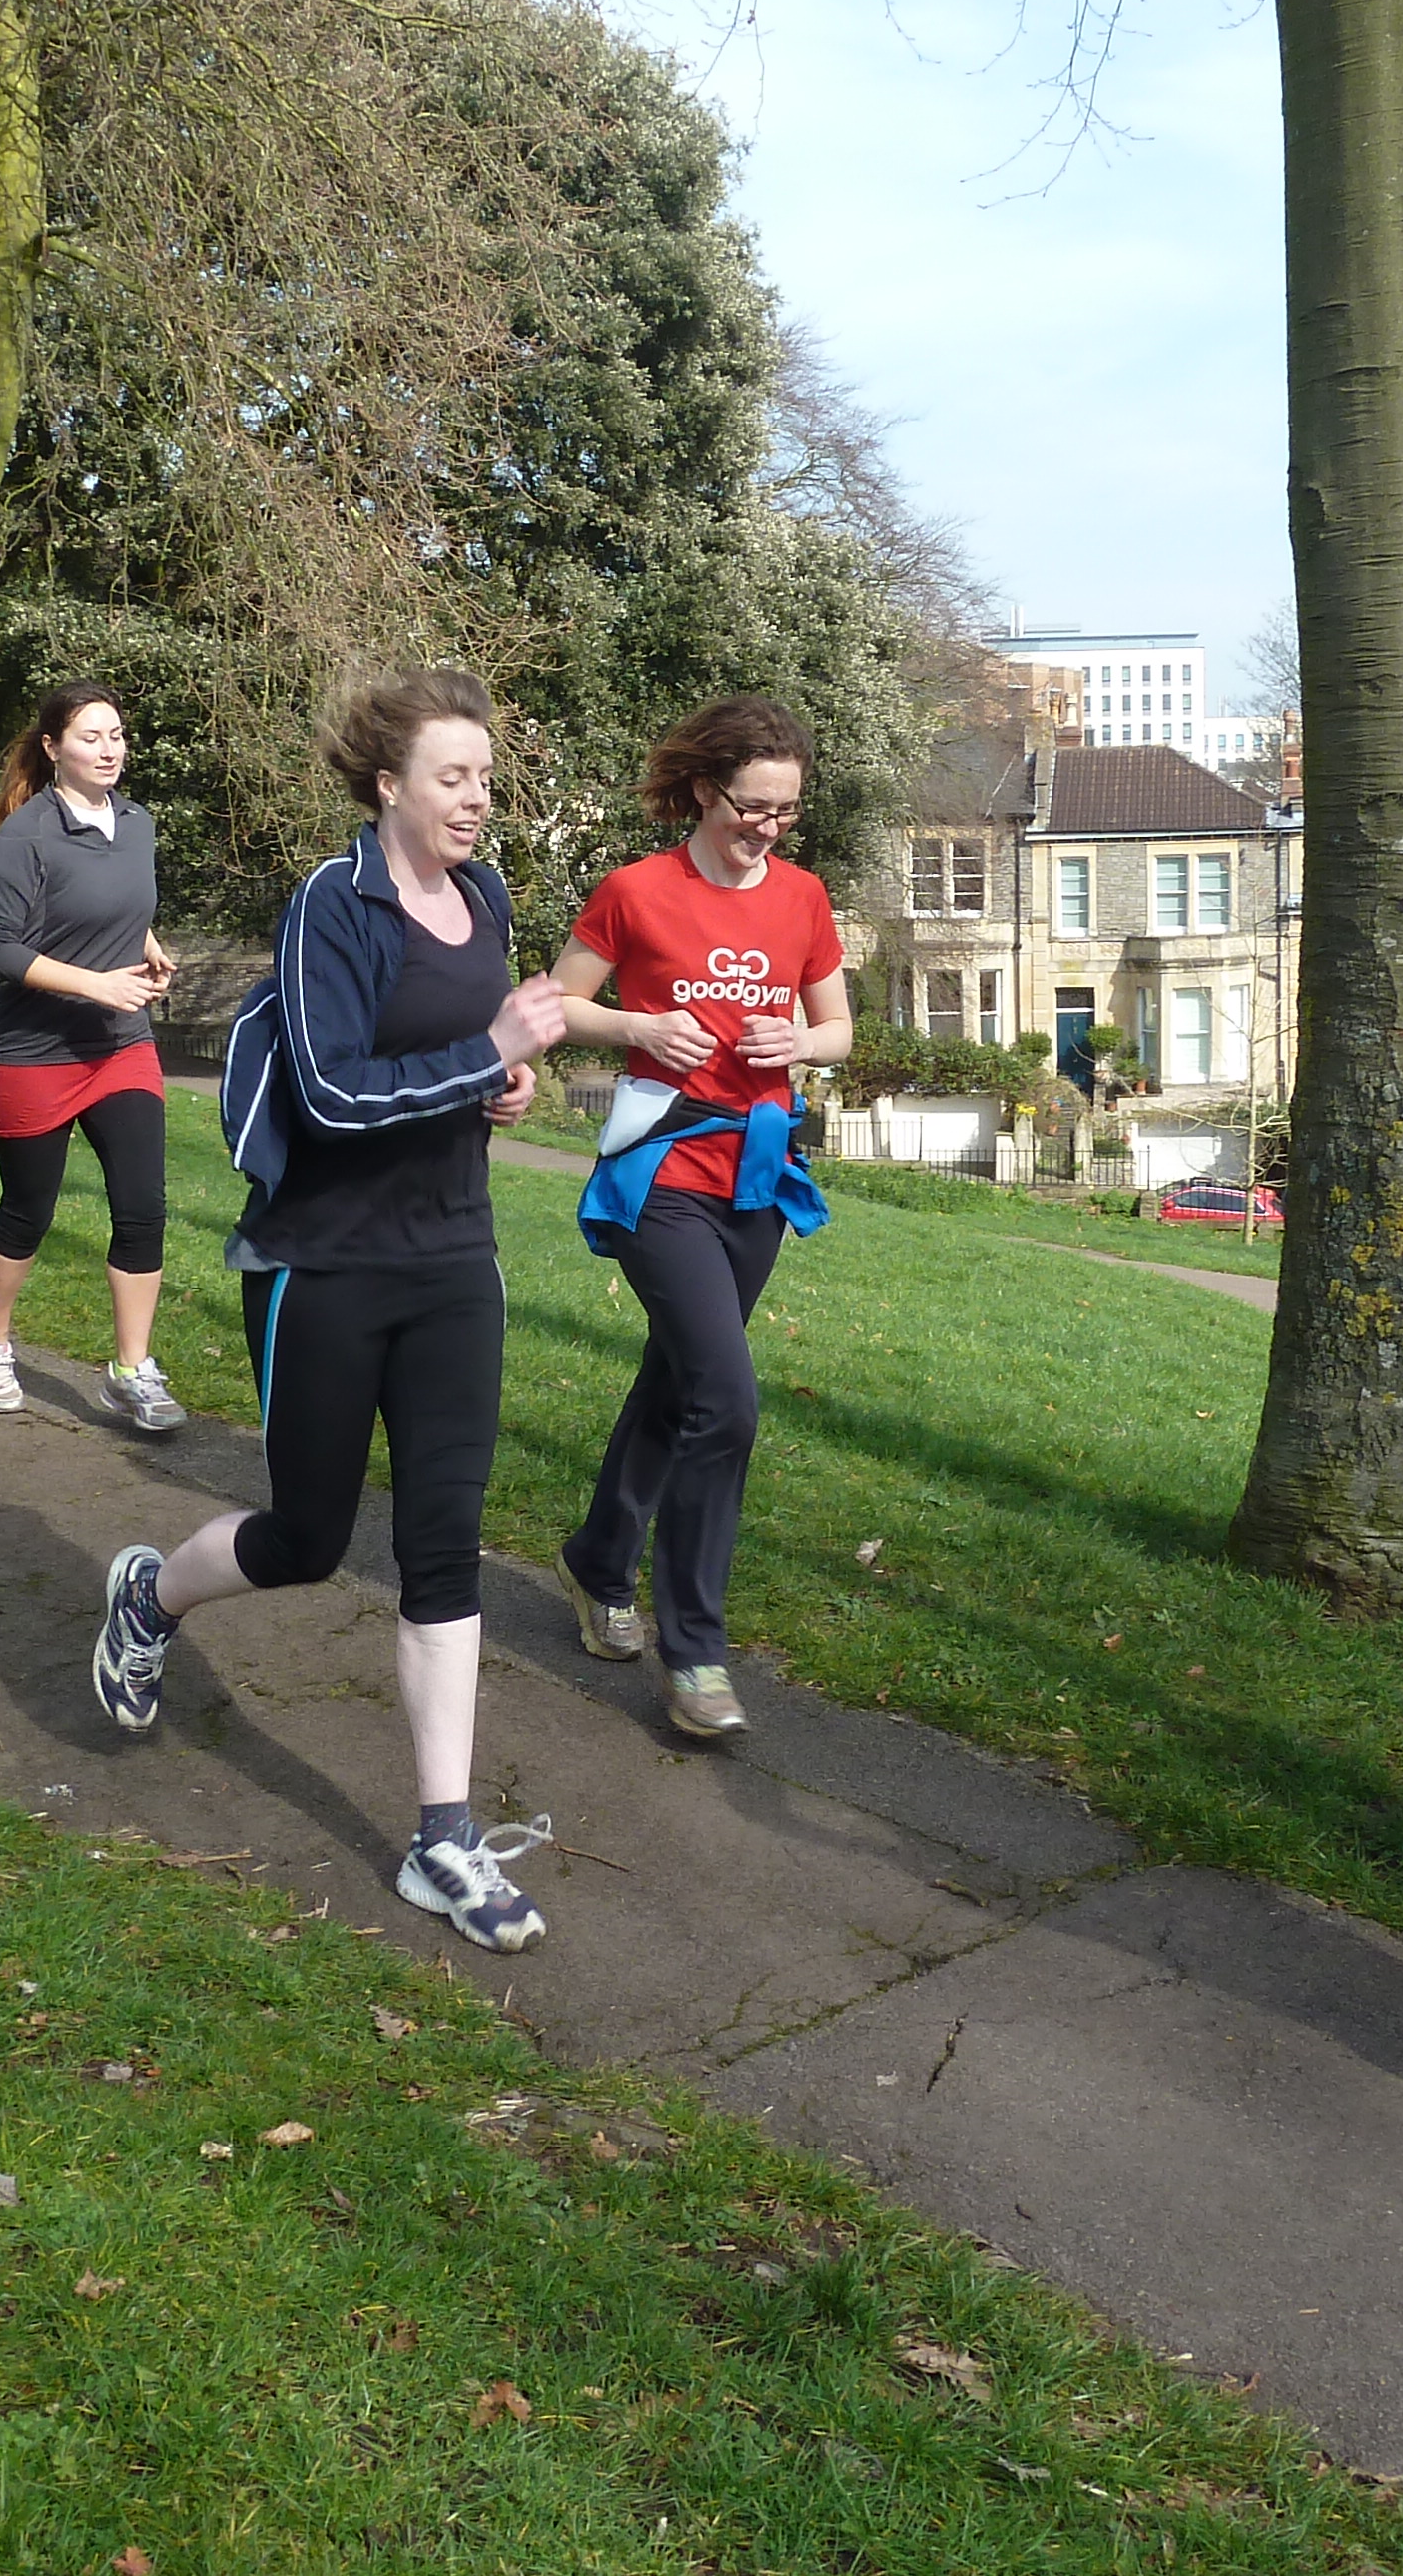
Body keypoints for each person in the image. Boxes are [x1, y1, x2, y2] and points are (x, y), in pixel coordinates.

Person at [90, 669, 566, 1953]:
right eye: (453, 776)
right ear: (389, 785)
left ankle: (442, 1836)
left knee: (444, 1543)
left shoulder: (485, 898)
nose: (476, 798)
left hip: (454, 1255)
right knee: (307, 1536)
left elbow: (466, 1058)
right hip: (326, 1262)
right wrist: (487, 1056)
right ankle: (152, 1596)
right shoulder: (328, 904)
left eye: (483, 775)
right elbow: (339, 1092)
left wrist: (498, 1089)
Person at [544, 696, 849, 1740]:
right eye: (754, 807)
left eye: (786, 812)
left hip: (756, 1175)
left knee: (678, 1381)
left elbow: (839, 1025)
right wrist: (638, 1022)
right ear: (706, 790)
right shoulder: (635, 891)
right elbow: (556, 1003)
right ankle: (697, 1653)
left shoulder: (803, 898)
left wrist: (798, 1047)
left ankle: (596, 1562)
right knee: (727, 1401)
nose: (768, 827)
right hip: (659, 1168)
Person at [0, 682, 183, 1432]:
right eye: (91, 737)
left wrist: (148, 951)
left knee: (143, 1209)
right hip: (35, 1052)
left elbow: (122, 909)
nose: (110, 749)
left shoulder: (138, 823)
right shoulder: (27, 835)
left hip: (120, 1049)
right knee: (28, 1214)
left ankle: (131, 1369)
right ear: (54, 748)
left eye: (117, 735)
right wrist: (93, 982)